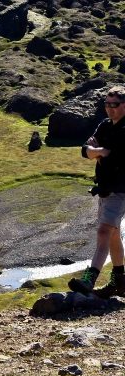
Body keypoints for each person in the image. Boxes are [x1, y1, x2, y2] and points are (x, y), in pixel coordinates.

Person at [69, 86, 125, 297]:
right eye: (107, 105)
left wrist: (98, 153)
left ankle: (89, 280)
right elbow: (85, 150)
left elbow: (117, 157)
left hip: (120, 190)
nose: (110, 109)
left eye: (115, 105)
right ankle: (120, 281)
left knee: (103, 232)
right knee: (112, 235)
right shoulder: (105, 125)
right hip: (104, 190)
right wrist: (99, 152)